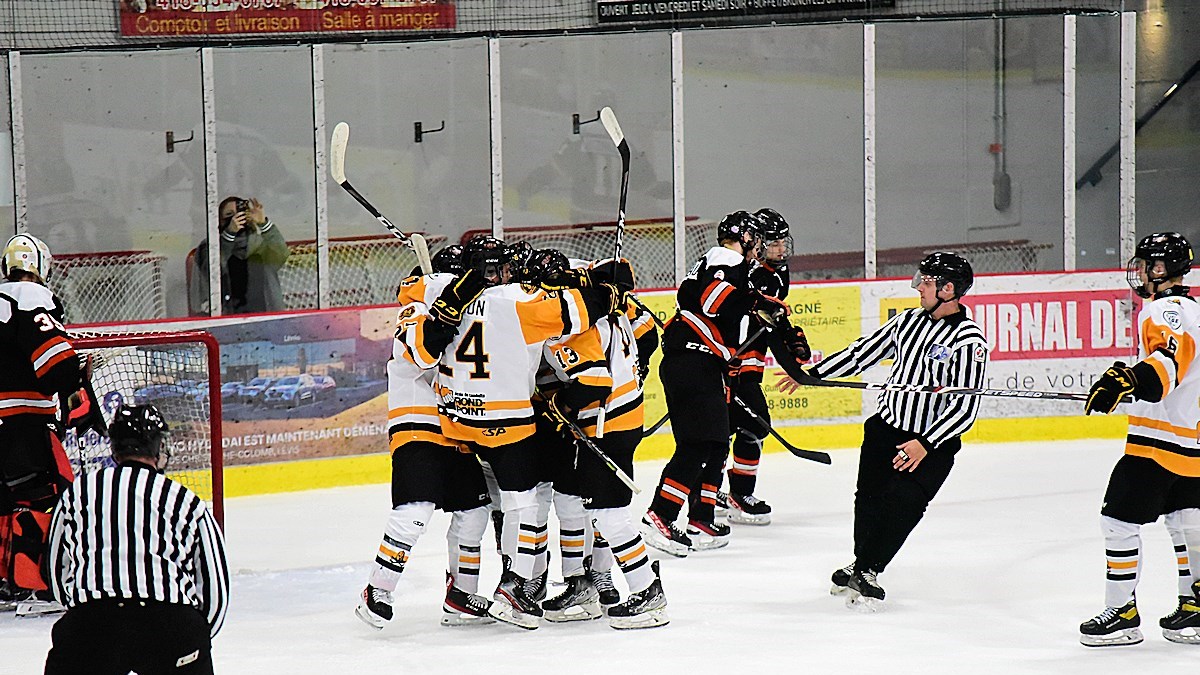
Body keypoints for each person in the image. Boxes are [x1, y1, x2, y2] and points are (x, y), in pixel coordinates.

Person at [433, 235, 625, 629]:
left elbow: (413, 288)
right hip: (508, 420)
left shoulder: (442, 292)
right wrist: (610, 293)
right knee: (525, 504)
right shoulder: (520, 302)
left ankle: (482, 585)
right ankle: (518, 584)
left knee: (485, 509)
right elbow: (581, 309)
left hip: (458, 420)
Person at [783, 251, 987, 610]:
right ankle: (862, 564)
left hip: (927, 444)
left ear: (948, 289)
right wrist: (812, 375)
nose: (919, 287)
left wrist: (926, 442)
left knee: (904, 505)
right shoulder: (908, 321)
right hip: (884, 429)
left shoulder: (969, 342)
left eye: (926, 281)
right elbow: (862, 352)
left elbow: (965, 408)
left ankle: (870, 568)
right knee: (869, 498)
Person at [356, 250, 498, 630]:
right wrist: (445, 311)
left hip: (458, 427)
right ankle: (378, 589)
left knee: (474, 511)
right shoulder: (415, 310)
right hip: (417, 423)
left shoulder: (474, 318)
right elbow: (419, 355)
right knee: (414, 510)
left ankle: (460, 596)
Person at [641, 211, 790, 555]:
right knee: (696, 445)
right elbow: (711, 300)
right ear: (747, 237)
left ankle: (701, 517)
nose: (760, 245)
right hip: (692, 361)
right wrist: (754, 301)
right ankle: (660, 515)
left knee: (715, 443)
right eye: (756, 237)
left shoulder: (723, 262)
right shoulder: (727, 257)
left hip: (703, 363)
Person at [1079, 231, 1200, 647]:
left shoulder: (1162, 311)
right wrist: (1129, 386)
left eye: (1147, 263)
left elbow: (1167, 364)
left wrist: (1130, 380)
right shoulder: (1195, 310)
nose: (1141, 271)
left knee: (1118, 522)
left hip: (1158, 443)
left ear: (1161, 269)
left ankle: (1122, 613)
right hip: (1194, 439)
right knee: (1188, 521)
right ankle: (1195, 609)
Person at [44, 404, 229, 674]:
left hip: (94, 622)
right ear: (156, 446)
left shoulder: (77, 493)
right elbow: (215, 589)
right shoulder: (184, 500)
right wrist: (193, 640)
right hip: (169, 624)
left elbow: (55, 571)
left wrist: (85, 611)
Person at [0, 234, 92, 617]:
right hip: (22, 424)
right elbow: (54, 361)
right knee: (45, 498)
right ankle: (36, 585)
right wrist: (76, 380)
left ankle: (5, 582)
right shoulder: (30, 297)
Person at [721, 207, 803, 526]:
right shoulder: (742, 272)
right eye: (775, 242)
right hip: (728, 364)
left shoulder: (779, 274)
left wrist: (791, 335)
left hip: (749, 366)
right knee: (745, 426)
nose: (782, 249)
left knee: (742, 428)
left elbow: (772, 316)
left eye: (784, 242)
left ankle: (719, 493)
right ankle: (732, 494)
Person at [190, 196, 289, 315]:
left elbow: (281, 254)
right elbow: (211, 270)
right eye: (229, 214)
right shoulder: (209, 247)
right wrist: (229, 234)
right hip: (226, 319)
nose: (236, 218)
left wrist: (264, 223)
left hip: (266, 318)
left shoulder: (260, 244)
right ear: (219, 220)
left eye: (240, 213)